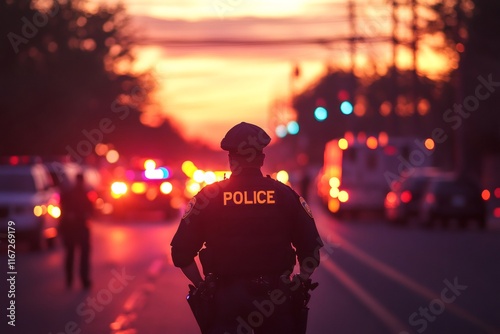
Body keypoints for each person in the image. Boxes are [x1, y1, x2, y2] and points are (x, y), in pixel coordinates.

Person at [171, 122, 323, 334]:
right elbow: (312, 250)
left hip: (225, 302)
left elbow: (180, 253)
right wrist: (298, 283)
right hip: (276, 300)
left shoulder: (207, 198)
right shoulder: (285, 195)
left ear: (231, 159)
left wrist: (203, 286)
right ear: (261, 158)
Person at [59, 172, 93, 289]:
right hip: (77, 229)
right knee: (78, 255)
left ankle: (71, 280)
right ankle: (80, 280)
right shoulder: (81, 194)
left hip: (75, 229)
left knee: (72, 255)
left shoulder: (74, 194)